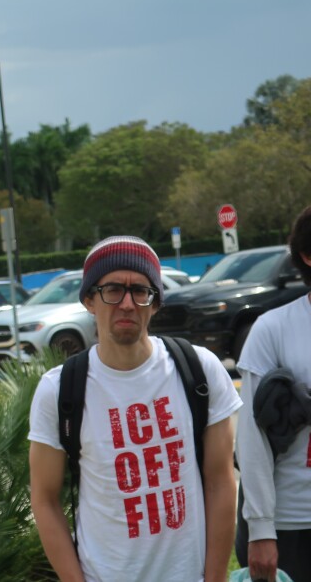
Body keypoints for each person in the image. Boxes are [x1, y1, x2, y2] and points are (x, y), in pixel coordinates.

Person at [28, 236, 242, 581]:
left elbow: (220, 482)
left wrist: (214, 577)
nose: (127, 303)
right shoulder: (60, 390)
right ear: (89, 300)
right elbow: (45, 499)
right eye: (112, 289)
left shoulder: (199, 370)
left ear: (154, 303)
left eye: (140, 291)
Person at [235, 206, 311, 582]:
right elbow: (251, 439)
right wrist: (260, 529)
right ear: (307, 256)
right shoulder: (273, 329)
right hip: (294, 523)